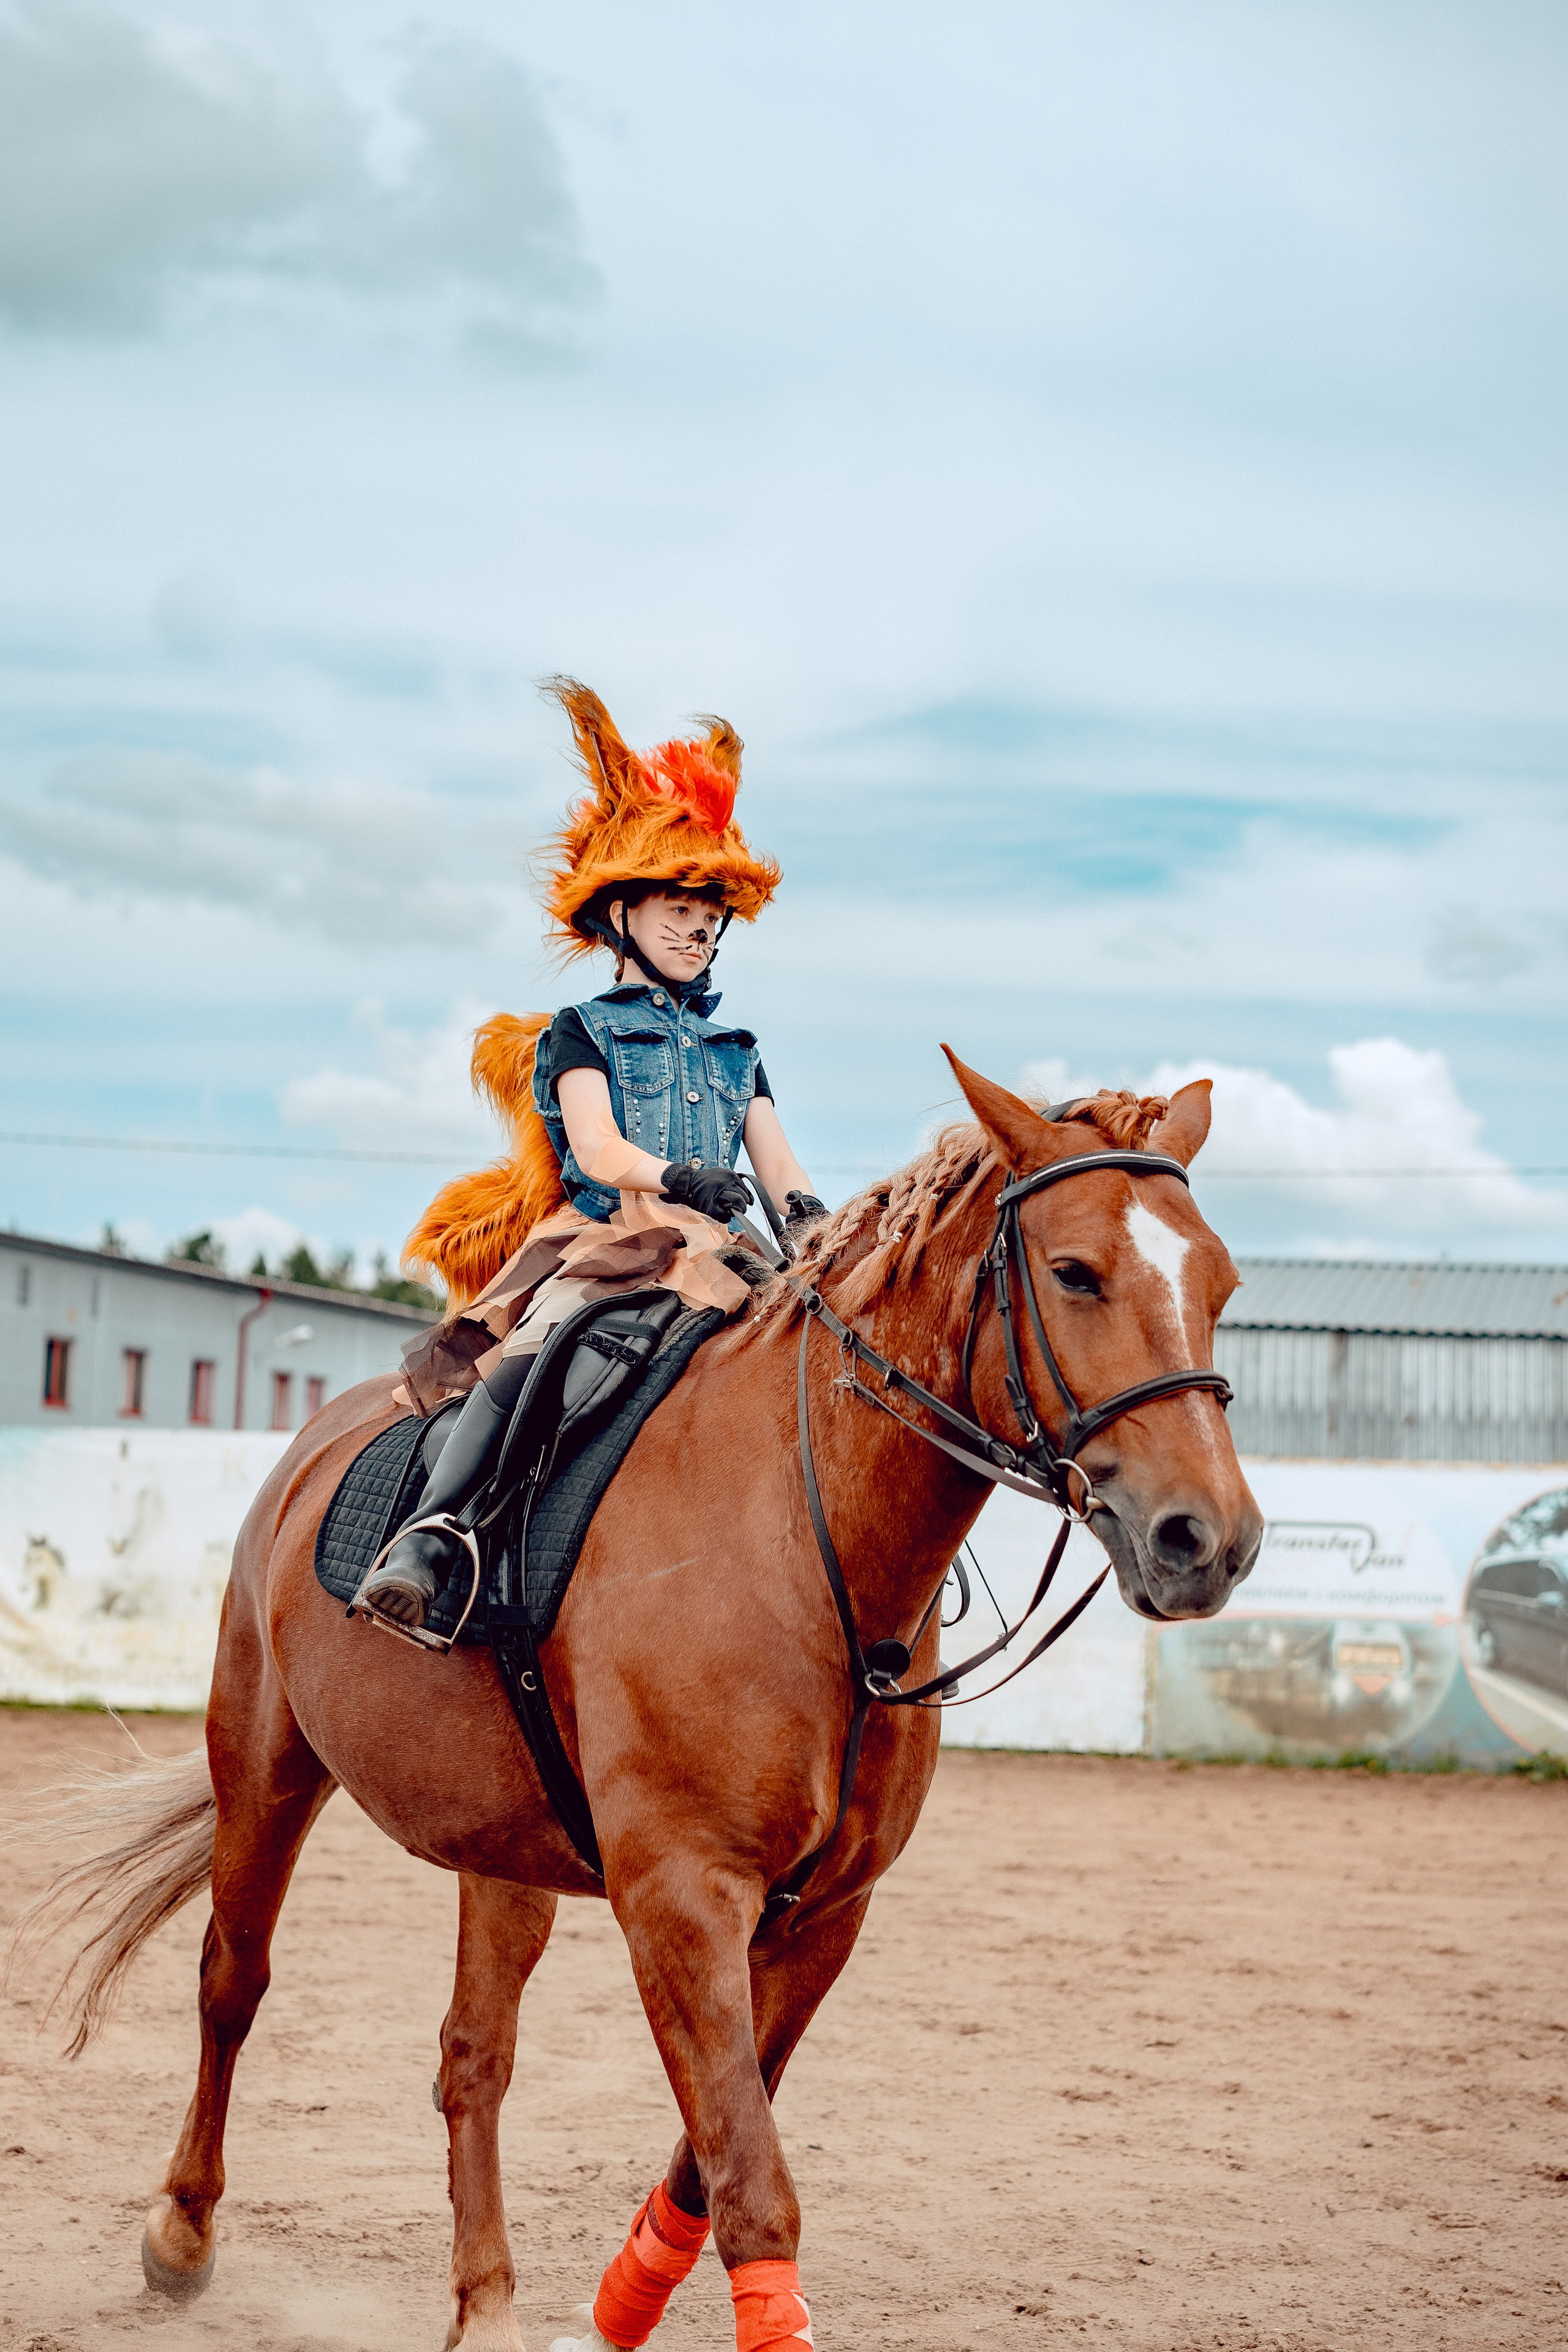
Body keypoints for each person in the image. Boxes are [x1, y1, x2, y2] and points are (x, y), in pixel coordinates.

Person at [351, 678, 824, 1637]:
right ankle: (433, 1537)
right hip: (610, 1241)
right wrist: (680, 1177)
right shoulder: (581, 1032)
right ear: (619, 915)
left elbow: (779, 1167)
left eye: (709, 913)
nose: (698, 926)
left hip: (724, 1251)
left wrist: (814, 1224)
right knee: (540, 1355)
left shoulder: (739, 1052)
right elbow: (601, 1148)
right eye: (677, 905)